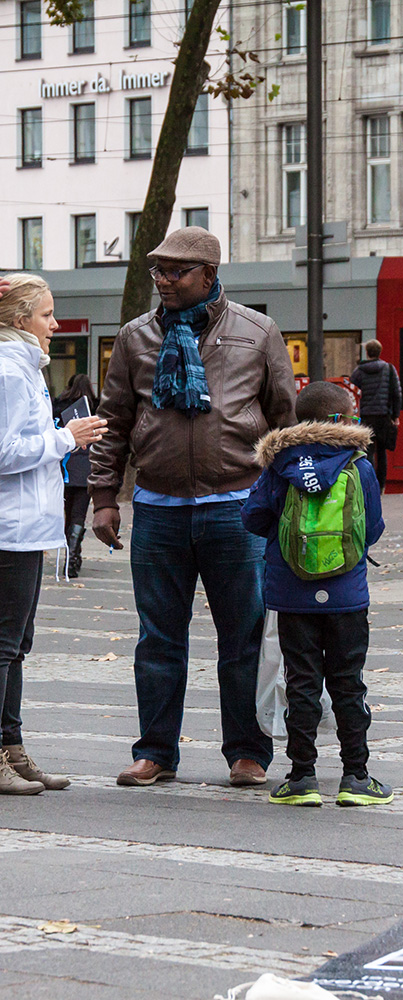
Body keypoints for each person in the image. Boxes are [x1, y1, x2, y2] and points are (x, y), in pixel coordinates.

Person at [88, 226, 297, 788]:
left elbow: (284, 422)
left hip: (238, 507)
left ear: (209, 274)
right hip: (157, 508)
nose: (163, 281)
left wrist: (288, 500)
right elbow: (113, 424)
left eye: (175, 272)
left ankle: (248, 753)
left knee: (244, 636)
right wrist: (104, 497)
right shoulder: (135, 338)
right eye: (158, 271)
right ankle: (155, 750)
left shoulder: (258, 332)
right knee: (158, 636)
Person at [241, 381, 390, 806]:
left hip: (292, 593)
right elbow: (373, 528)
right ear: (343, 420)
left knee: (301, 681)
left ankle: (301, 777)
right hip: (346, 595)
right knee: (348, 684)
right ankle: (356, 778)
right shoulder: (358, 465)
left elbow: (252, 517)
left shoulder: (279, 463)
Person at [0, 273, 106, 794]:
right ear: (21, 320)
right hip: (8, 528)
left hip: (27, 527)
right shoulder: (8, 372)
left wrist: (61, 440)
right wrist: (66, 437)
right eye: (46, 314)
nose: (55, 324)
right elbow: (2, 452)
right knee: (3, 645)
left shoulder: (24, 367)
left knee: (16, 644)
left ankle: (11, 748)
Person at [52, 373, 99, 578]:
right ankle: (73, 557)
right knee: (79, 513)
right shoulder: (96, 407)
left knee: (67, 511)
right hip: (86, 465)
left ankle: (70, 554)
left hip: (64, 464)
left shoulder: (60, 404)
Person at [350, 339, 402, 491]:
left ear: (367, 352)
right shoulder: (389, 369)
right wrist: (395, 415)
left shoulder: (358, 371)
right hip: (384, 415)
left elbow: (352, 392)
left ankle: (369, 485)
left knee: (368, 451)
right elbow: (396, 393)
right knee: (382, 452)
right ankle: (381, 486)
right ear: (380, 351)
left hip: (366, 415)